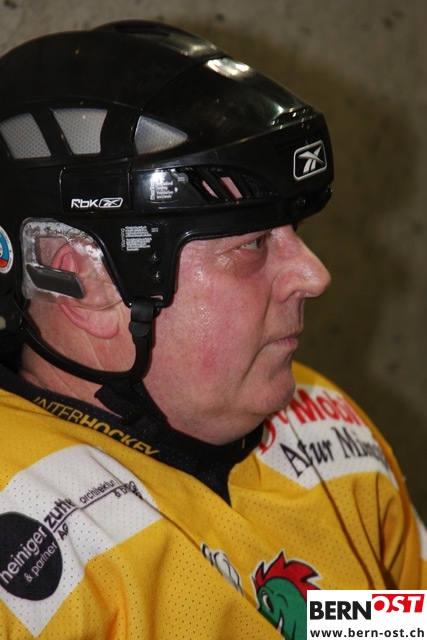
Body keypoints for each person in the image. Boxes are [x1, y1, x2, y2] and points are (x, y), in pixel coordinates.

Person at [0, 20, 425, 640]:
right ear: (85, 282)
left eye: (292, 232)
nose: (314, 275)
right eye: (252, 244)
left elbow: (360, 623)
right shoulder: (25, 553)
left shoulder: (328, 426)